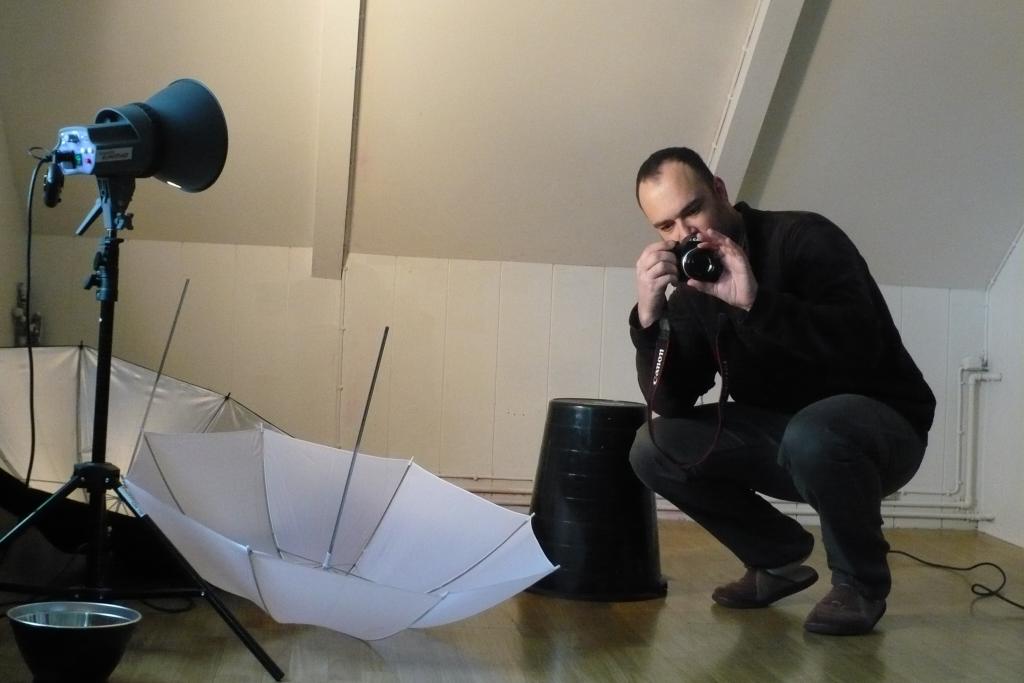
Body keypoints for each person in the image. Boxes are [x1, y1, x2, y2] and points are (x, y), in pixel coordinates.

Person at [627, 147, 935, 635]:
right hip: (787, 438)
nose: (684, 233)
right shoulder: (694, 283)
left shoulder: (804, 238)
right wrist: (649, 321)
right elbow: (671, 402)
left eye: (693, 210)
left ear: (720, 190)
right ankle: (776, 559)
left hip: (882, 430)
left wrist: (756, 303)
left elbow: (863, 345)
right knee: (654, 446)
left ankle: (860, 585)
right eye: (666, 226)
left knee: (814, 432)